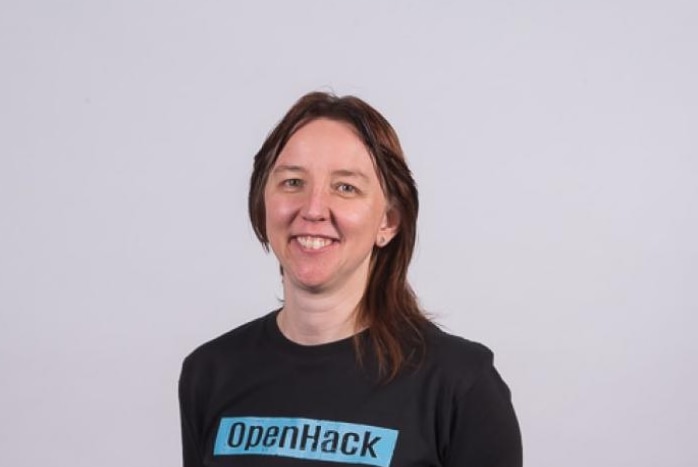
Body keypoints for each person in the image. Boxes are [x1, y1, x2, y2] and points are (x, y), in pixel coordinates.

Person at [178, 91, 522, 467]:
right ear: (263, 204)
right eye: (292, 182)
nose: (313, 209)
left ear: (388, 222)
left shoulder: (460, 383)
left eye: (346, 187)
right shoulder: (210, 373)